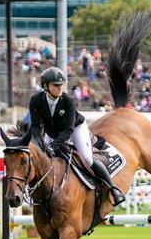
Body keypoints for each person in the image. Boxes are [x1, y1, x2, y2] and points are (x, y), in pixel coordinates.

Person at [28, 67, 125, 206]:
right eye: (56, 85)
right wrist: (41, 145)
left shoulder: (68, 100)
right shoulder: (36, 100)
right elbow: (36, 127)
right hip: (52, 132)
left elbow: (68, 130)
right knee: (42, 159)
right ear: (46, 86)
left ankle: (113, 188)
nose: (60, 87)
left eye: (61, 85)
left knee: (87, 158)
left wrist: (53, 146)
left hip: (75, 128)